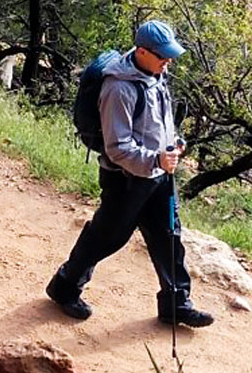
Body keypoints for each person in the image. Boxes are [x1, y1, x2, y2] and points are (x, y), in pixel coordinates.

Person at [44, 19, 212, 328]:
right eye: (162, 55)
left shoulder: (156, 73)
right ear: (142, 51)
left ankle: (176, 303)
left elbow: (159, 120)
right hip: (125, 180)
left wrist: (173, 145)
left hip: (159, 175)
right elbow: (117, 146)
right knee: (107, 237)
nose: (168, 60)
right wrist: (156, 159)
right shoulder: (118, 87)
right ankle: (64, 287)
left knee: (169, 238)